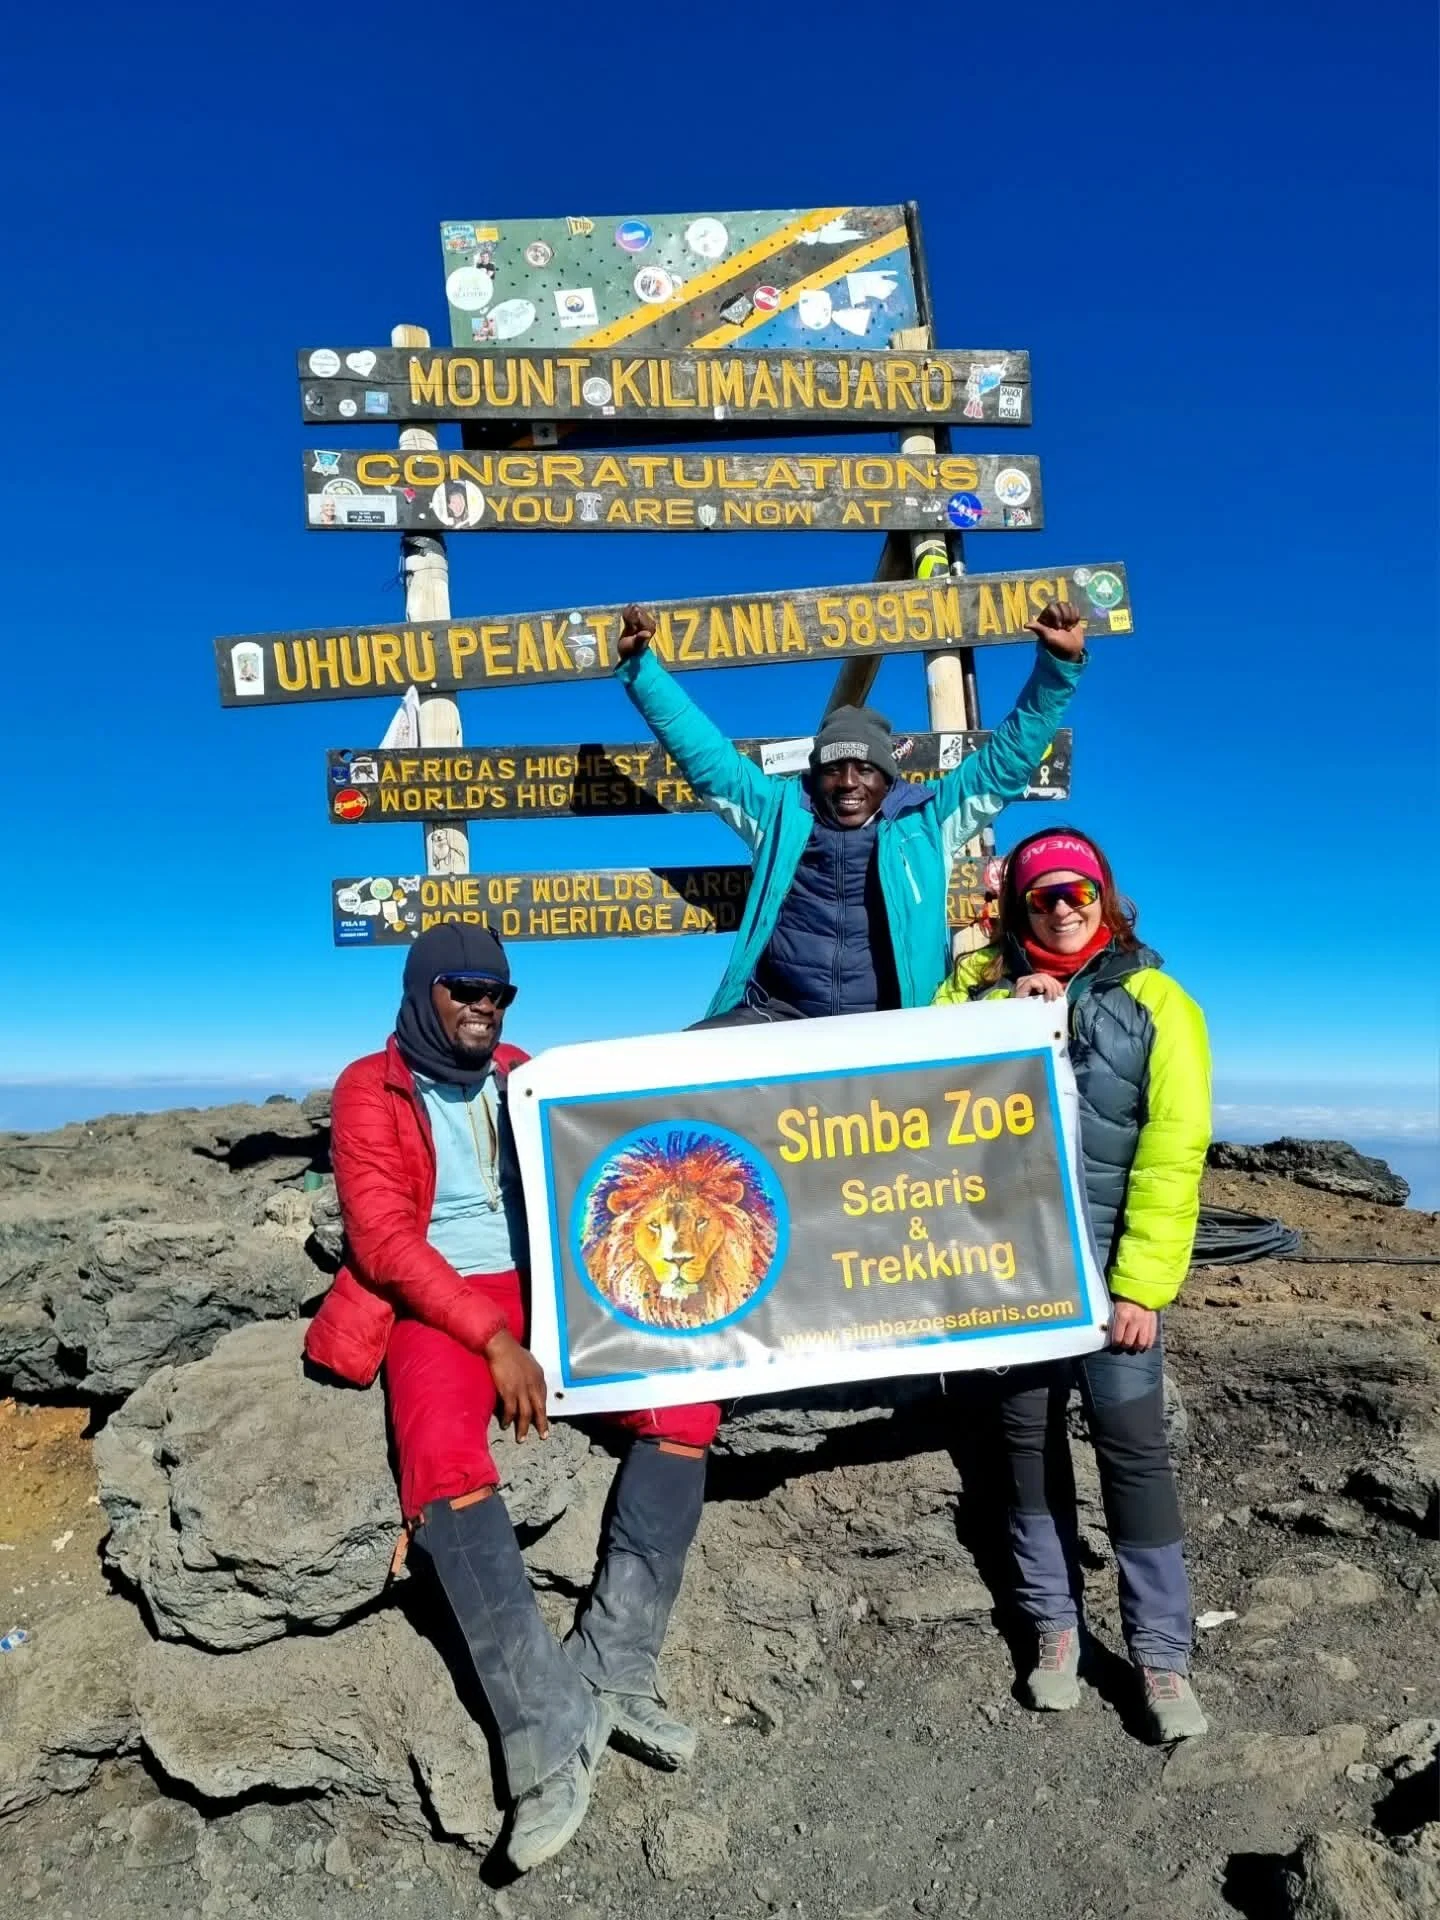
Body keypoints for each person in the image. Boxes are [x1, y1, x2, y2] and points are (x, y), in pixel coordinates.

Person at [303, 924, 720, 1871]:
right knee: (442, 1457)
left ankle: (616, 1668)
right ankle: (546, 1731)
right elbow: (381, 1243)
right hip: (433, 1298)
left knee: (687, 1409)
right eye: (464, 988)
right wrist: (492, 1340)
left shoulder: (524, 1073)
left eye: (500, 991)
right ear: (422, 993)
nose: (486, 1005)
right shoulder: (368, 1090)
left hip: (553, 1289)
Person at [933, 828, 1211, 1742]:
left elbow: (1172, 1157)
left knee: (1133, 1455)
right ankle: (1056, 1630)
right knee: (1022, 1454)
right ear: (1019, 904)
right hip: (1013, 1280)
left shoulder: (1162, 1002)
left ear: (1105, 897)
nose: (1061, 908)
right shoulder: (975, 992)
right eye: (1044, 895)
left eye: (1077, 893)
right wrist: (1001, 1022)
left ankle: (1161, 1656)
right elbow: (916, 1101)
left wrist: (1142, 1288)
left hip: (1114, 1285)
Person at [612, 600, 1088, 1025]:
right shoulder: (779, 812)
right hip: (774, 1015)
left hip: (893, 1028)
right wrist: (642, 669)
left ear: (889, 777)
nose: (847, 783)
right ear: (815, 775)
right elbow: (706, 758)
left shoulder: (927, 820)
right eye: (833, 768)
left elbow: (1002, 765)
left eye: (865, 769)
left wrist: (1057, 669)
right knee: (681, 1075)